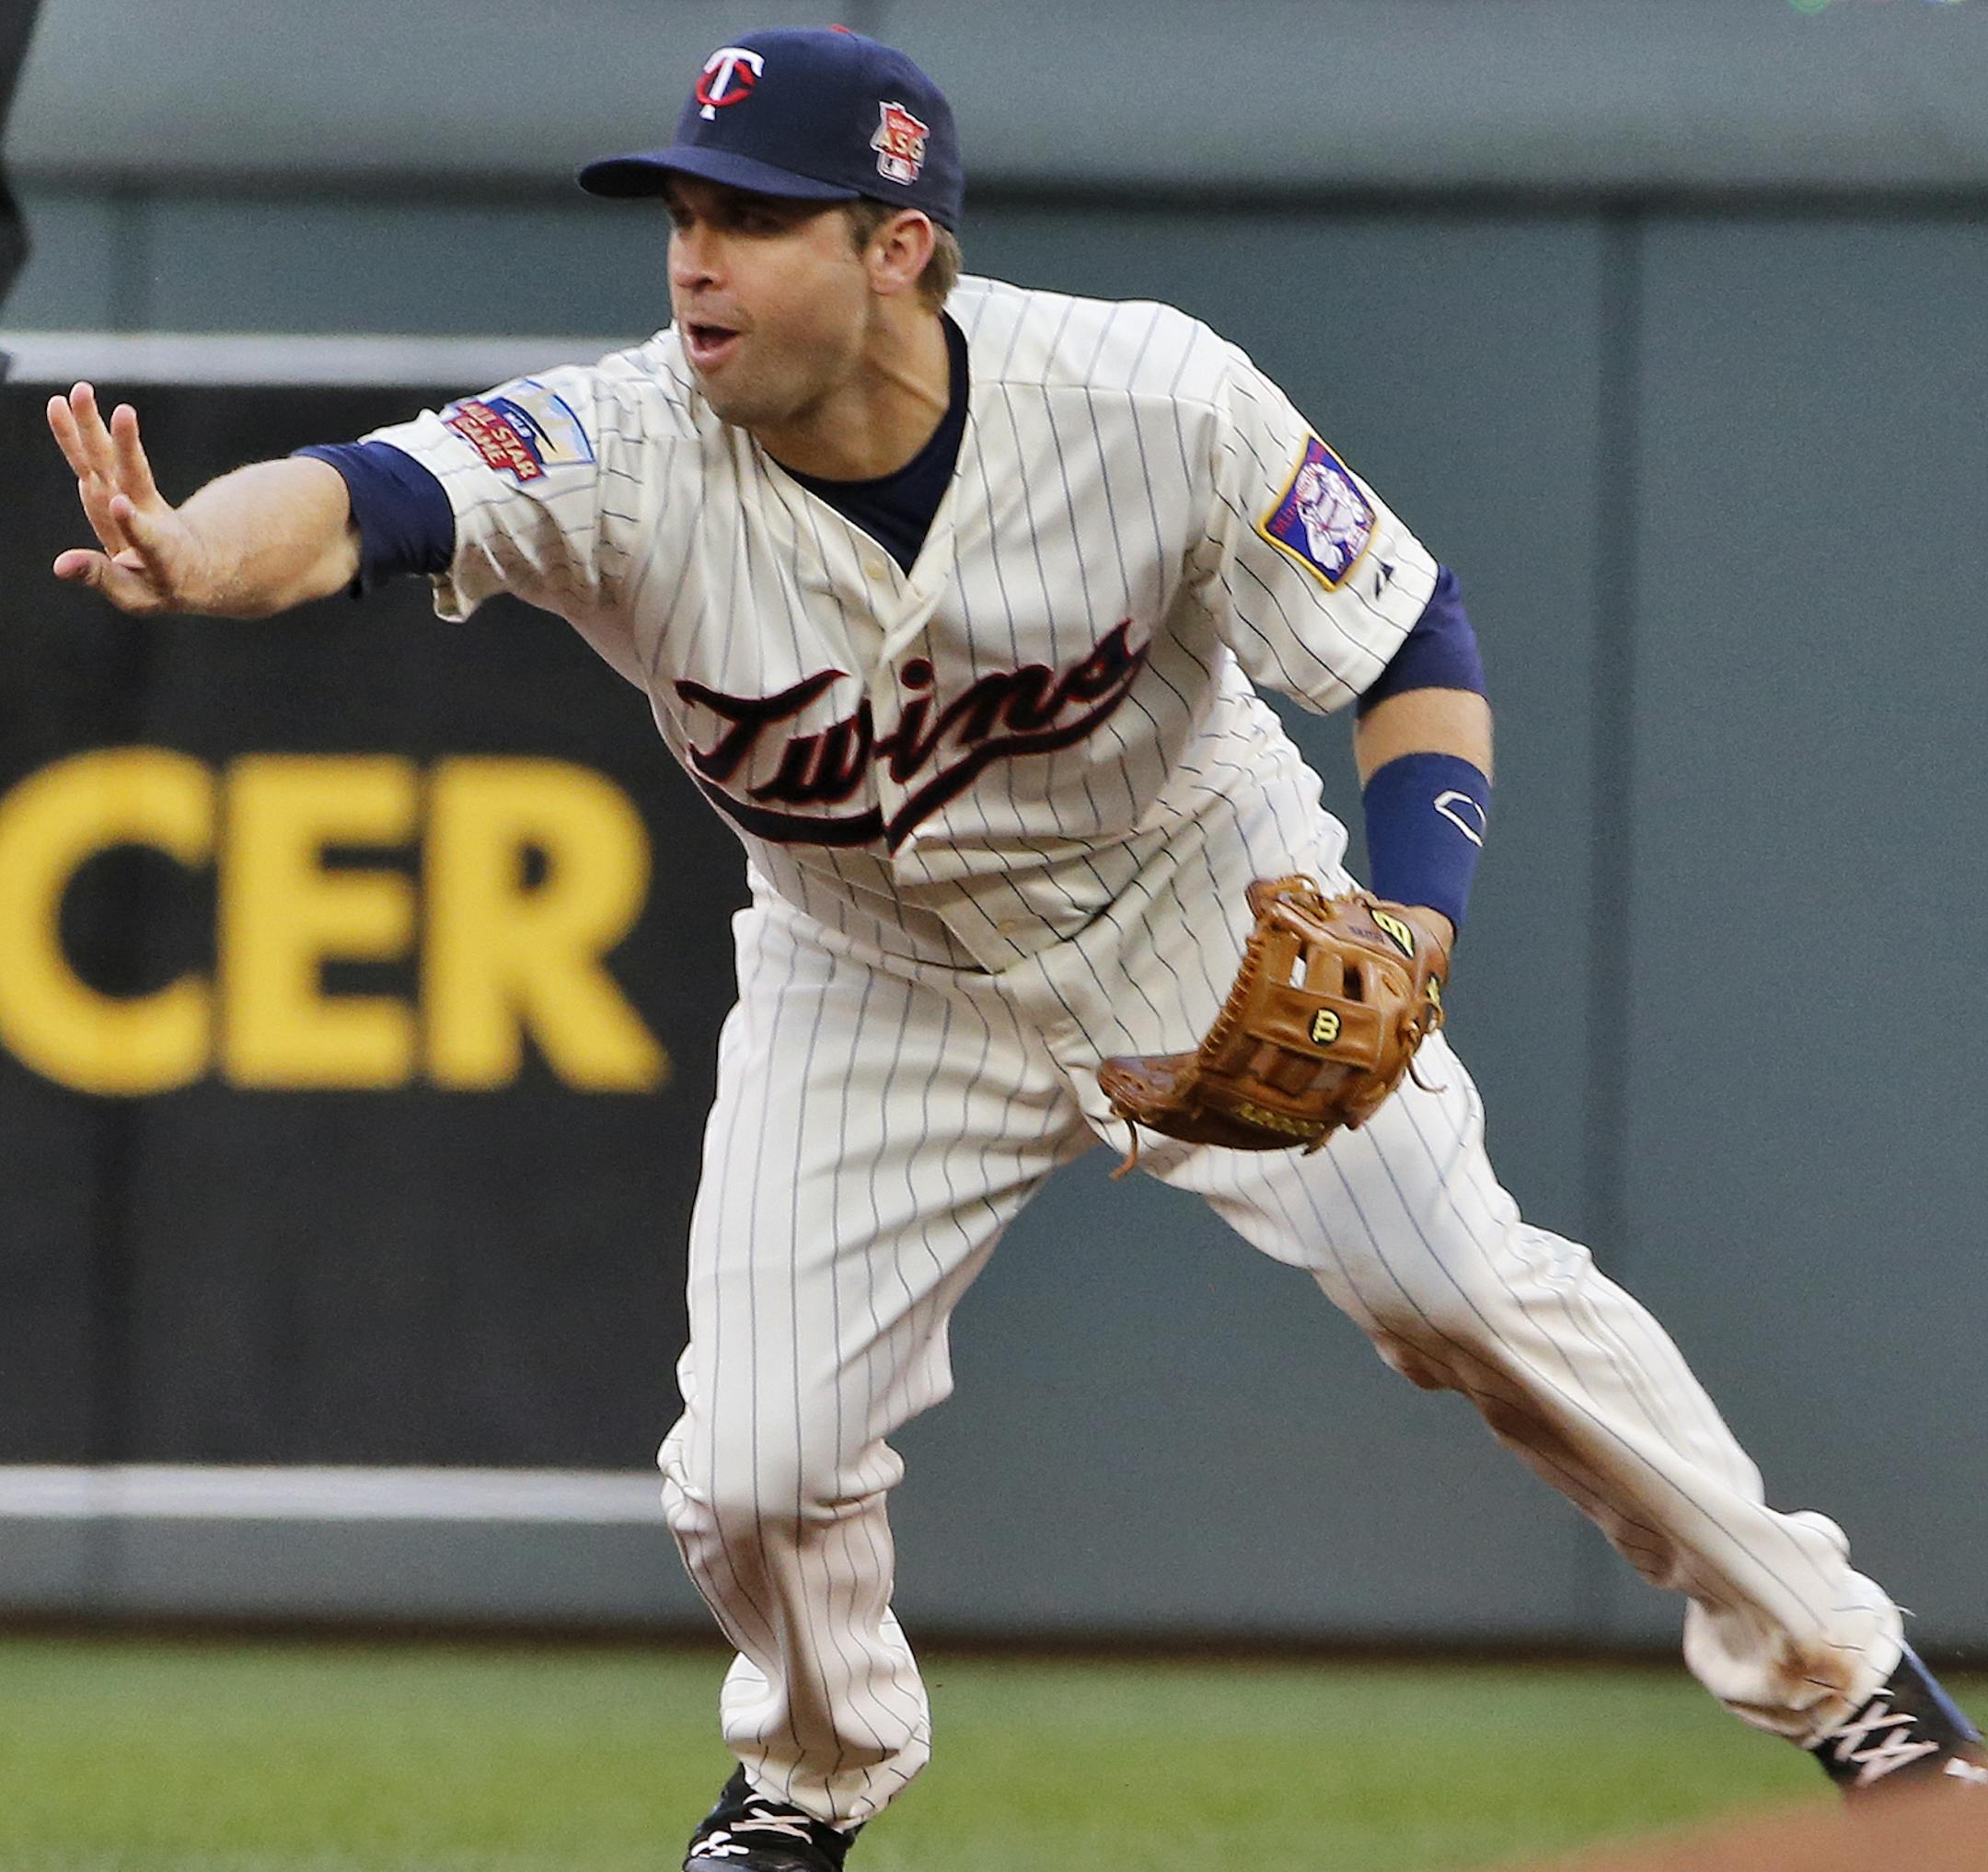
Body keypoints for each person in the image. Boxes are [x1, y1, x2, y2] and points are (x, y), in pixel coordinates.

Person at [46, 26, 1984, 1871]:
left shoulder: (1150, 397)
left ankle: (1852, 1680)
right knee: (755, 1465)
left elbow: (1411, 647)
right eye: (678, 218)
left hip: (1195, 900)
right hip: (863, 974)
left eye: (745, 219)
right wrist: (200, 551)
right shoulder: (624, 438)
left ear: (897, 249)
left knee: (1461, 1291)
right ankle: (805, 1784)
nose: (692, 263)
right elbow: (368, 498)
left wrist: (1410, 923)